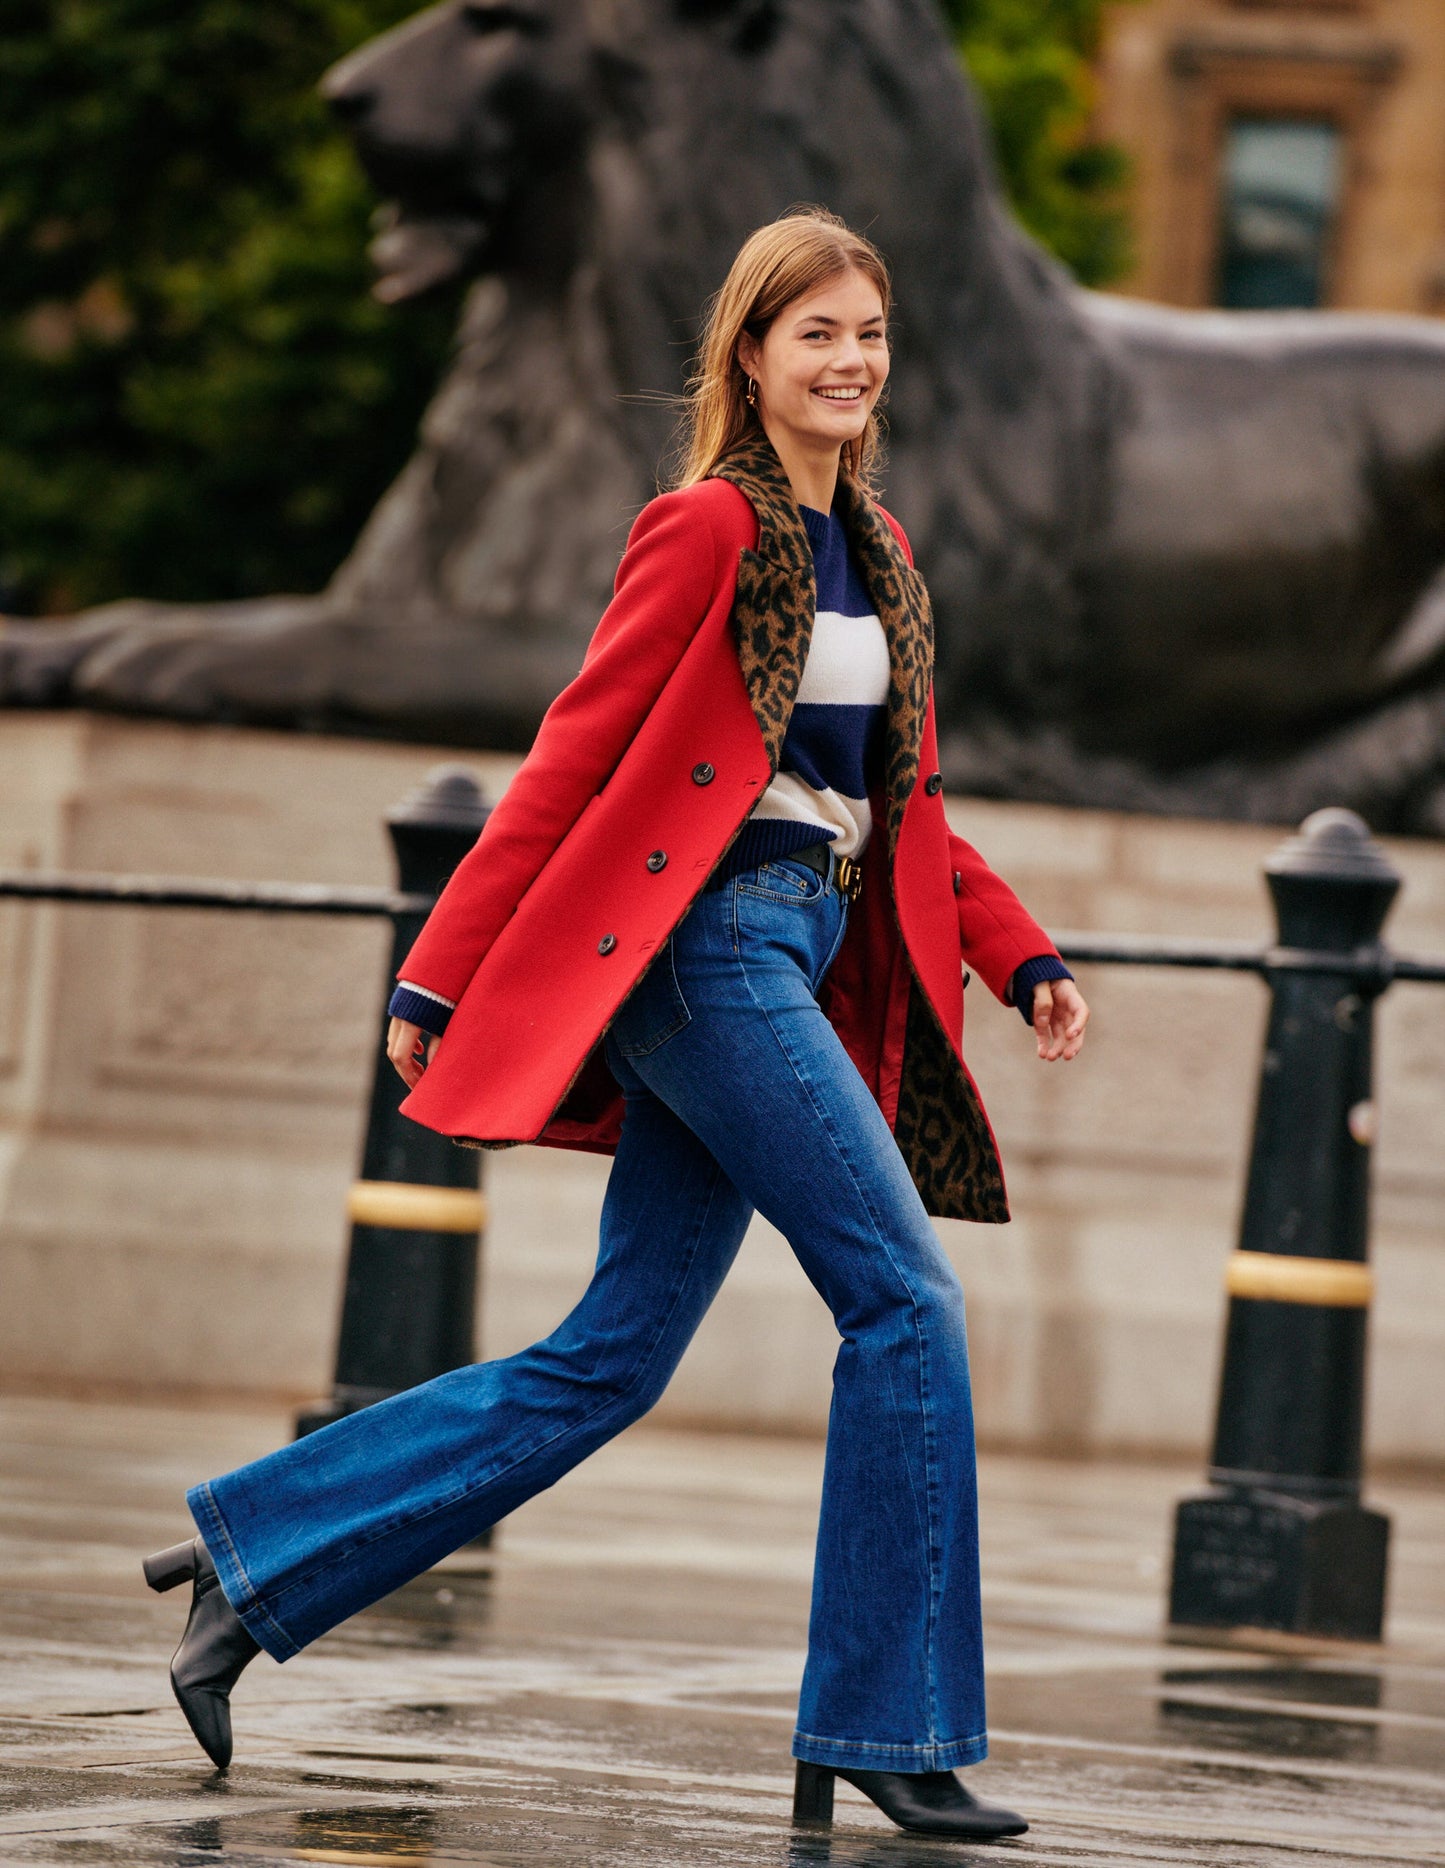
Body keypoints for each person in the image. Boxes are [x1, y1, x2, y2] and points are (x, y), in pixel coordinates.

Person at [144, 208, 1088, 1842]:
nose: (850, 360)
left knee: (608, 1359)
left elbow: (908, 800)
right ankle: (886, 1722)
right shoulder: (702, 531)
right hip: (705, 949)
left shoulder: (885, 551)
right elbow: (572, 756)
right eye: (817, 335)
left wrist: (1017, 957)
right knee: (905, 1306)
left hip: (801, 941)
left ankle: (252, 1562)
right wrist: (437, 976)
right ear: (750, 356)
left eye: (868, 333)